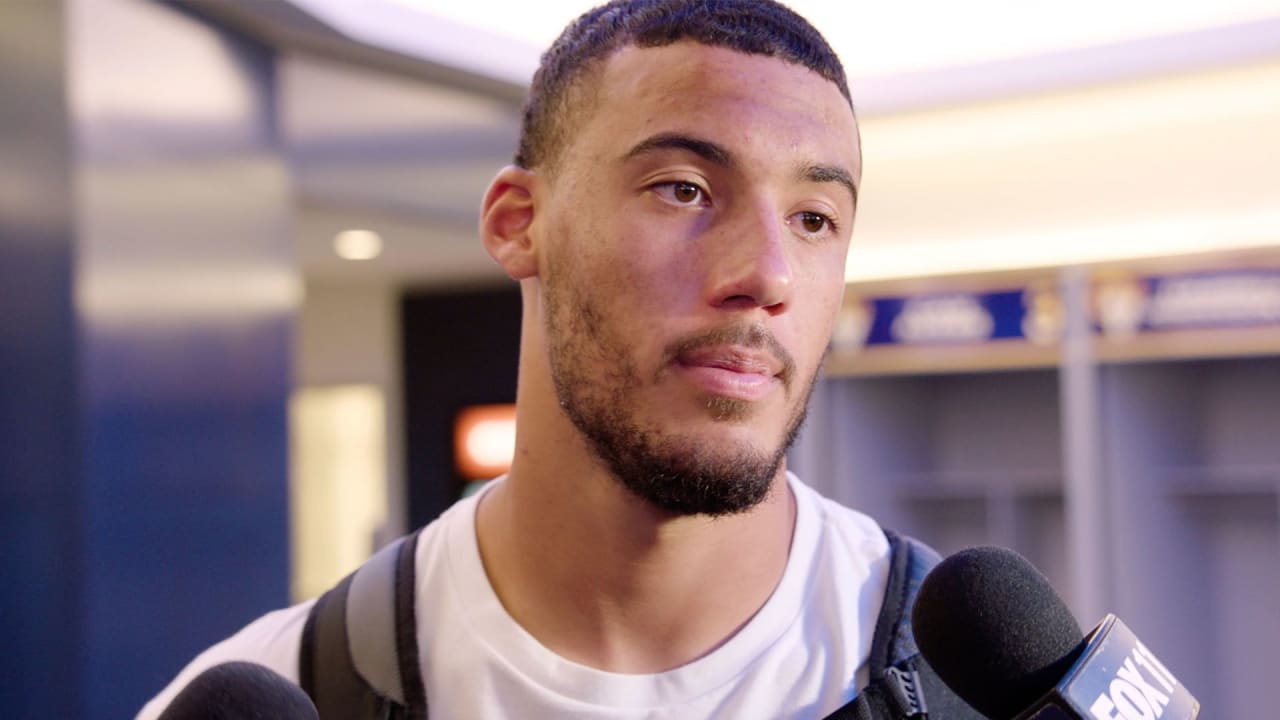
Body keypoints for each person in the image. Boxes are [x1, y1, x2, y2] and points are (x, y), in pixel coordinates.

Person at [140, 1, 942, 717]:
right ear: (519, 222)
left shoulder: (970, 687)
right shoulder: (291, 684)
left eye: (813, 218)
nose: (768, 275)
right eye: (683, 189)